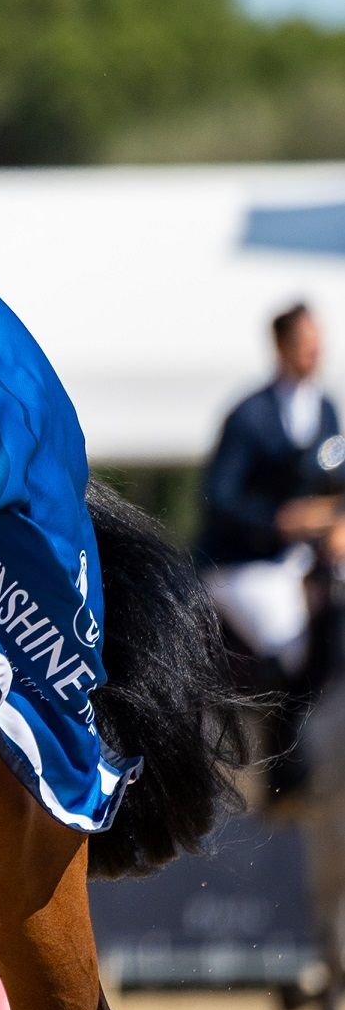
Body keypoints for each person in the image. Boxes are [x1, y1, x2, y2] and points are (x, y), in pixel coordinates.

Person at [199, 302, 345, 784]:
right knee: (285, 639)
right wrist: (280, 521)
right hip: (246, 561)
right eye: (305, 342)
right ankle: (282, 750)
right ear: (282, 346)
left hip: (302, 558)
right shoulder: (250, 416)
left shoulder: (324, 408)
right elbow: (219, 498)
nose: (314, 351)